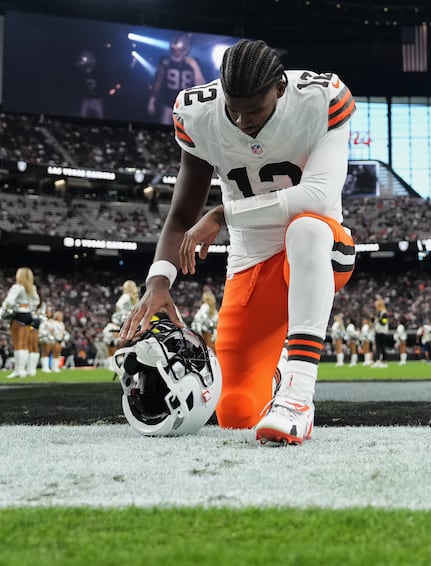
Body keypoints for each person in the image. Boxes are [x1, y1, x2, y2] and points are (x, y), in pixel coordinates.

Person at [120, 39, 357, 446]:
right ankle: (276, 375)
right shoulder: (199, 114)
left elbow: (318, 196)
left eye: (255, 110)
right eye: (234, 110)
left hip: (323, 247)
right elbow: (181, 215)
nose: (243, 121)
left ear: (280, 89)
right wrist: (158, 281)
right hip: (253, 259)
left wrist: (223, 214)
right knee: (236, 412)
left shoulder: (320, 98)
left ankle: (298, 394)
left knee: (305, 229)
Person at [146, 34, 206, 124]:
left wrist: (196, 68)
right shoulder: (165, 62)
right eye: (173, 50)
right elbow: (158, 81)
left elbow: (201, 86)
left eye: (179, 50)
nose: (176, 53)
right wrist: (152, 99)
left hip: (186, 105)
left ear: (186, 50)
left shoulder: (193, 62)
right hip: (168, 102)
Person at [0, 267, 41, 379]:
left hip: (19, 315)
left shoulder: (17, 287)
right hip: (28, 315)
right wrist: (28, 306)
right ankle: (25, 370)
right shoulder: (32, 288)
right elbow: (36, 302)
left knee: (18, 344)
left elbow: (8, 301)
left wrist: (12, 307)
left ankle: (19, 371)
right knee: (25, 344)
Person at [372, 297, 392, 367]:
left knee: (382, 346)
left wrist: (378, 319)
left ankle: (384, 360)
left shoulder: (384, 312)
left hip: (382, 331)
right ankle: (378, 360)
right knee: (378, 347)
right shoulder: (379, 313)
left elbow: (384, 322)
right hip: (378, 331)